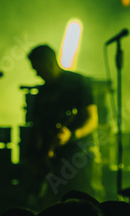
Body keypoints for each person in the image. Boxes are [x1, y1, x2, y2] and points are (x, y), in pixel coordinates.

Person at [25, 44, 100, 198]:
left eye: (37, 68)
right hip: (51, 160)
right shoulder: (42, 92)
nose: (36, 74)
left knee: (79, 201)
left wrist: (72, 135)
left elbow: (92, 119)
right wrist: (34, 156)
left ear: (49, 63)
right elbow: (36, 126)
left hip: (78, 156)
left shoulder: (78, 82)